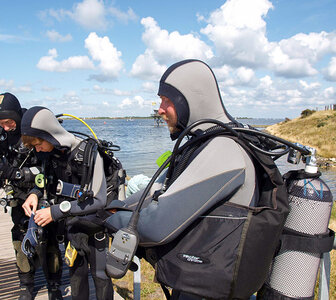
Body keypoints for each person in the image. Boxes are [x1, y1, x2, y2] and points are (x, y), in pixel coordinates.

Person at [105, 59, 288, 299]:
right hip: (199, 284)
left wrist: (109, 219)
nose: (159, 109)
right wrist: (112, 207)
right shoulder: (205, 143)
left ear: (188, 100)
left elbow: (157, 225)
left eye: (166, 100)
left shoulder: (224, 149)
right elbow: (157, 190)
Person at [21, 106, 114, 300]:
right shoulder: (51, 154)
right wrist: (34, 194)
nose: (37, 150)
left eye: (38, 144)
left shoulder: (89, 153)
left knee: (101, 277)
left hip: (94, 228)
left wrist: (54, 212)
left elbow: (99, 200)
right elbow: (47, 182)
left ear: (50, 133)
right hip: (71, 227)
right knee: (76, 278)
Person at [0, 93, 62, 300]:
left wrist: (25, 178)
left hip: (43, 193)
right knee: (20, 239)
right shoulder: (1, 135)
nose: (6, 127)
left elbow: (53, 163)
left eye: (8, 122)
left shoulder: (34, 127)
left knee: (49, 240)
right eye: (1, 123)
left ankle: (54, 286)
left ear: (17, 115)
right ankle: (26, 285)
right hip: (18, 197)